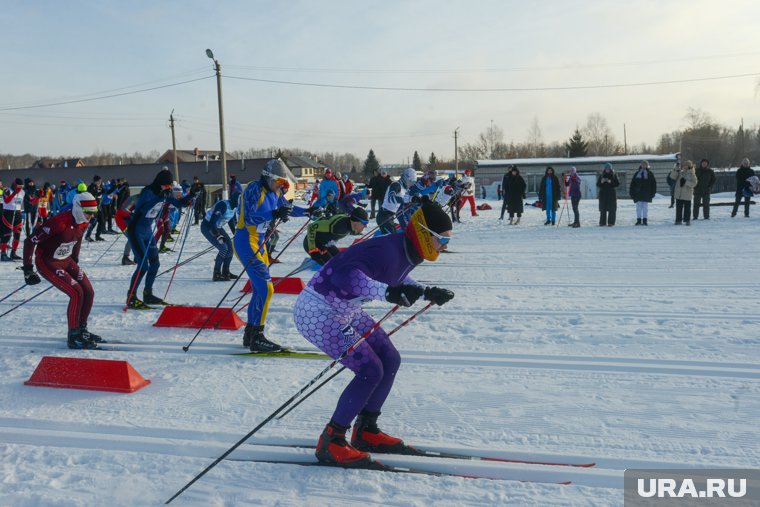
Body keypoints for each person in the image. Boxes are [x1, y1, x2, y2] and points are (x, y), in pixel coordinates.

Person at [293, 200, 455, 466]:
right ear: (425, 233)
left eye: (448, 240)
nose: (445, 245)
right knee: (371, 369)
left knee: (390, 359)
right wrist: (387, 293)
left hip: (345, 309)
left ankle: (366, 429)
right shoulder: (389, 249)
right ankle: (331, 440)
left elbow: (394, 276)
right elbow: (345, 276)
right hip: (318, 311)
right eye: (441, 239)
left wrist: (426, 291)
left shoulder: (405, 248)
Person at [234, 159, 310, 352]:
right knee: (266, 289)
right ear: (268, 177)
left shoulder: (274, 192)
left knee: (260, 289)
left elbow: (288, 208)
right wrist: (274, 214)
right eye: (278, 181)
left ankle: (250, 333)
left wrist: (310, 211)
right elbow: (251, 216)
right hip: (246, 241)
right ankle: (258, 336)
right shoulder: (254, 188)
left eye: (283, 183)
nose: (280, 185)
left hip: (260, 243)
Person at [22, 193, 102, 349]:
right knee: (76, 292)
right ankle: (73, 335)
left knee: (88, 291)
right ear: (78, 208)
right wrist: (28, 269)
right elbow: (30, 241)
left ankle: (81, 329)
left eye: (93, 212)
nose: (90, 216)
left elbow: (77, 239)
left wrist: (75, 259)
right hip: (48, 262)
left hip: (66, 260)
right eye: (88, 212)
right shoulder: (59, 223)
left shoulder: (84, 222)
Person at [125, 168, 196, 309]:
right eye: (167, 185)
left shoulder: (165, 193)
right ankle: (131, 297)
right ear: (160, 183)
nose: (169, 188)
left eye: (170, 186)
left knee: (155, 263)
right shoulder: (148, 192)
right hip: (136, 230)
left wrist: (192, 195)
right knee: (143, 265)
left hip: (147, 231)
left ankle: (148, 293)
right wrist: (159, 197)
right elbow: (140, 210)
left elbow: (180, 203)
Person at [303, 207, 369, 265]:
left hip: (326, 244)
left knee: (341, 262)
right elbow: (311, 227)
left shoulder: (350, 225)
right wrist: (312, 249)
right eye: (364, 223)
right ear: (355, 222)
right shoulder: (338, 226)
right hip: (314, 245)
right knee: (333, 268)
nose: (366, 226)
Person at [201, 197, 239, 281]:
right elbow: (212, 222)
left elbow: (231, 219)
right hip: (208, 227)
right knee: (223, 248)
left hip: (218, 227)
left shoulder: (234, 206)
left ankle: (226, 272)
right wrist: (217, 235)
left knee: (230, 247)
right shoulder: (223, 205)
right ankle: (216, 274)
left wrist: (235, 233)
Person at [376, 167, 416, 235]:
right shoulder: (396, 185)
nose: (410, 184)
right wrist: (404, 200)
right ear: (405, 178)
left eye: (412, 182)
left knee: (396, 236)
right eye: (410, 181)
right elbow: (391, 198)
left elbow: (405, 206)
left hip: (390, 217)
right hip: (384, 216)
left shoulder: (404, 189)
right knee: (392, 239)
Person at [1, 178, 25, 261]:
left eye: (21, 186)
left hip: (18, 213)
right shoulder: (7, 190)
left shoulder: (22, 192)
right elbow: (6, 201)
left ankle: (13, 253)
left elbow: (22, 203)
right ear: (14, 184)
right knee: (7, 235)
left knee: (17, 234)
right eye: (19, 186)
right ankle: (3, 254)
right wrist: (15, 193)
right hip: (8, 213)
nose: (20, 188)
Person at [669, 160, 697, 225]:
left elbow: (694, 183)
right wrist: (675, 170)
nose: (684, 166)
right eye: (684, 165)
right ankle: (678, 220)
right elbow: (672, 177)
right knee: (678, 208)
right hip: (679, 194)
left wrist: (686, 182)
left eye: (686, 165)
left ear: (689, 166)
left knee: (687, 209)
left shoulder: (692, 174)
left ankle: (687, 220)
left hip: (687, 194)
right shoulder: (680, 173)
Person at [629, 161, 657, 225]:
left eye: (645, 164)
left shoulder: (650, 174)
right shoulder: (637, 173)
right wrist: (632, 193)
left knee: (645, 208)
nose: (644, 165)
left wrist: (653, 193)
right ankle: (638, 220)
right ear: (641, 165)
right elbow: (632, 184)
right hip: (638, 194)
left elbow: (653, 184)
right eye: (642, 164)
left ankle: (645, 220)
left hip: (646, 193)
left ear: (647, 165)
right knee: (638, 208)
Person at [85, 175, 105, 242]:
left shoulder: (100, 187)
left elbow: (105, 191)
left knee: (102, 221)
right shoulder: (91, 187)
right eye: (98, 181)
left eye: (100, 181)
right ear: (95, 181)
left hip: (99, 207)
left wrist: (114, 188)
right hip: (92, 207)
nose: (100, 182)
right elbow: (94, 194)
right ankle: (88, 236)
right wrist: (99, 192)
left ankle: (98, 236)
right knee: (93, 222)